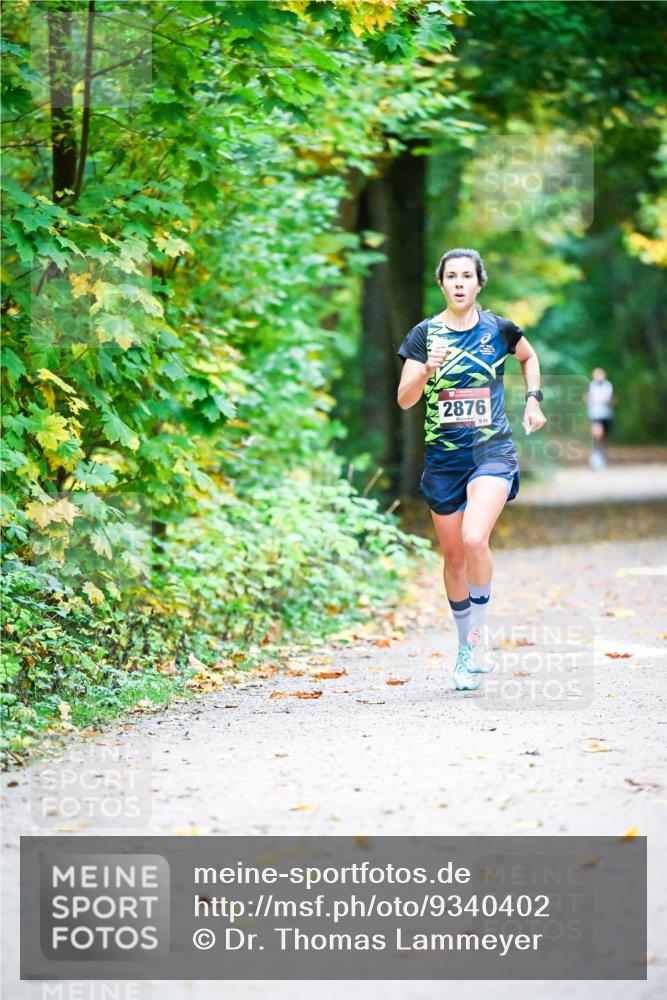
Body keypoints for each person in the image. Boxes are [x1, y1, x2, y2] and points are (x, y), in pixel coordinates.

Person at [396, 248, 546, 691]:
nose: (459, 283)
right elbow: (405, 399)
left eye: (467, 276)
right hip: (443, 462)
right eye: (451, 276)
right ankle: (465, 649)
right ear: (441, 284)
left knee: (474, 537)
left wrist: (533, 400)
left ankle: (479, 638)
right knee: (455, 558)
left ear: (480, 282)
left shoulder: (498, 329)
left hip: (491, 452)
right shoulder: (424, 335)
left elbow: (529, 357)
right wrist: (426, 370)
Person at [583, 367, 615, 470]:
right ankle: (595, 457)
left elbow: (610, 399)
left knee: (604, 437)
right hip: (595, 415)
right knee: (597, 434)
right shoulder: (591, 385)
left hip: (605, 414)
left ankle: (602, 456)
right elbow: (587, 397)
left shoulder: (608, 385)